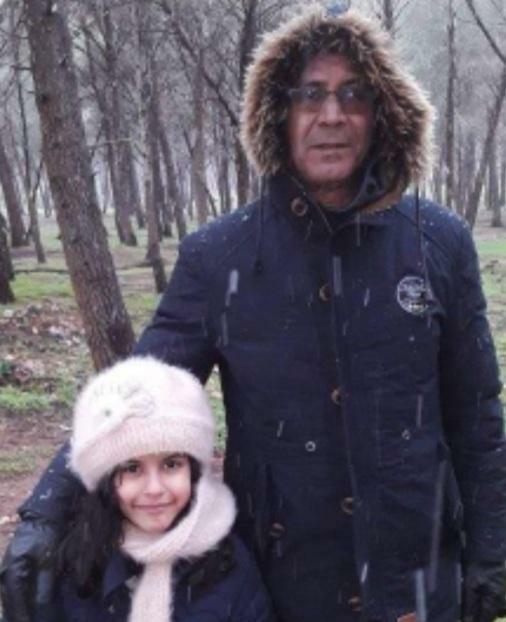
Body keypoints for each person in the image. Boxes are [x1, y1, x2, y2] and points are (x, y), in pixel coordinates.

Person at [2, 5, 506, 622]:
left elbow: (477, 416)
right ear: (278, 114)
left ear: (382, 114)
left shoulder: (438, 243)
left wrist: (492, 550)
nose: (331, 115)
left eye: (353, 94)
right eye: (310, 95)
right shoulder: (220, 256)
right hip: (282, 586)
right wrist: (45, 513)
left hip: (419, 584)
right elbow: (130, 395)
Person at [34, 356, 274, 622]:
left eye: (171, 464)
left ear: (194, 471)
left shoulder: (230, 566)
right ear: (104, 480)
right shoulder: (77, 561)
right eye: (132, 468)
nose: (155, 488)